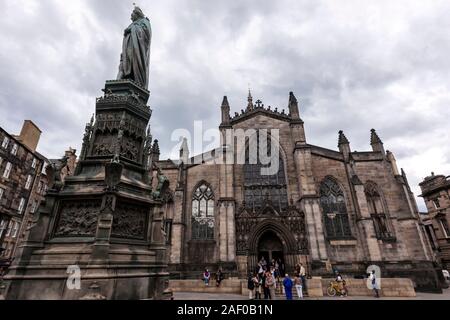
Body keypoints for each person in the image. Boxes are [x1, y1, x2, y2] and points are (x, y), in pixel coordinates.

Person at [117, 6, 152, 89]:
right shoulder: (132, 24)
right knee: (123, 65)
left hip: (137, 51)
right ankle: (119, 82)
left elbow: (146, 34)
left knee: (134, 63)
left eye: (132, 14)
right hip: (127, 49)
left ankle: (136, 81)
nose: (131, 17)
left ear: (137, 14)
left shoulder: (145, 21)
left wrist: (132, 29)